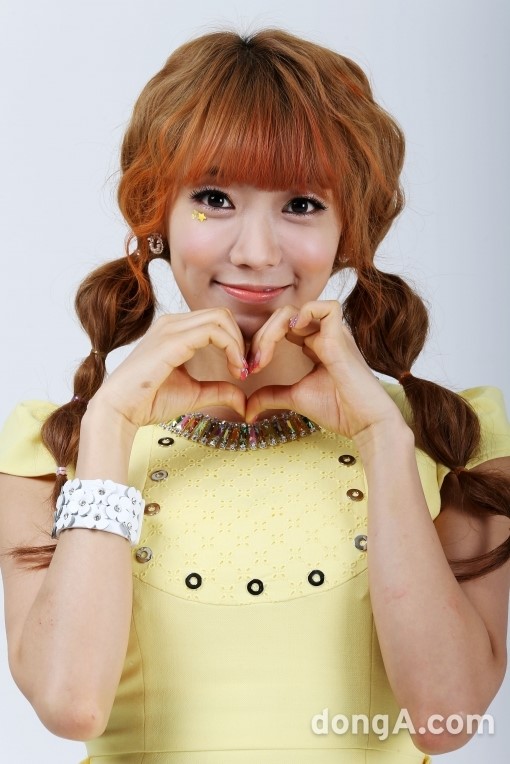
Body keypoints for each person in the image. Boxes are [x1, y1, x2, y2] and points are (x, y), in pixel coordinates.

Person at [0, 27, 509, 764]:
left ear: (349, 230)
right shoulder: (49, 448)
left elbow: (445, 719)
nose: (257, 252)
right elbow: (72, 704)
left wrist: (383, 440)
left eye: (301, 204)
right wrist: (109, 424)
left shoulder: (456, 438)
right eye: (213, 199)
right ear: (157, 214)